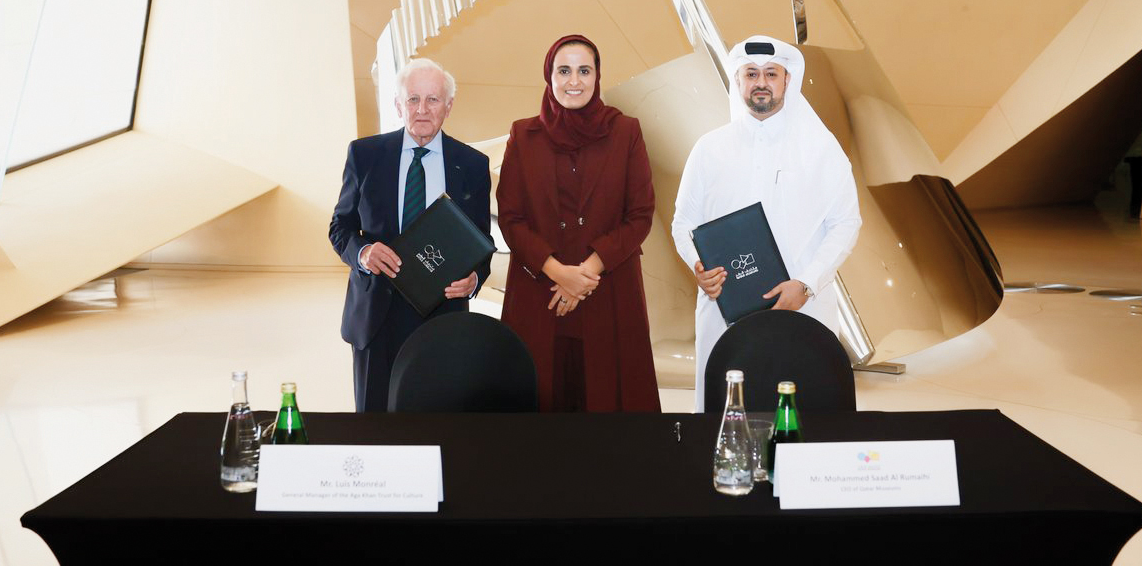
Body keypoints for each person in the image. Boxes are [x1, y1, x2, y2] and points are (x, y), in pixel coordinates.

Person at [671, 35, 861, 412]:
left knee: (808, 414)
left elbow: (846, 223)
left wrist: (806, 283)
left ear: (787, 81)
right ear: (738, 81)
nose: (761, 82)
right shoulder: (709, 148)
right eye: (751, 73)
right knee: (725, 412)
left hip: (804, 306)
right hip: (724, 306)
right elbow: (683, 222)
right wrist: (698, 266)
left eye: (771, 73)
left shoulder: (821, 148)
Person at [497, 34, 661, 412]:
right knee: (540, 411)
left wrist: (585, 274)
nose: (574, 81)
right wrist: (557, 272)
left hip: (609, 290)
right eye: (564, 70)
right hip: (540, 294)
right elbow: (511, 217)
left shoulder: (625, 132)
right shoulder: (523, 135)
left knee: (611, 412)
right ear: (549, 77)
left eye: (584, 71)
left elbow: (639, 215)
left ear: (597, 76)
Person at [329, 58, 492, 412]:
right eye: (413, 99)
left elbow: (482, 243)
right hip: (376, 316)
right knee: (374, 428)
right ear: (398, 104)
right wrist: (363, 252)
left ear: (448, 107)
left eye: (433, 100)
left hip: (443, 316)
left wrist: (475, 278)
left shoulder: (473, 165)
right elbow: (339, 227)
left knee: (437, 424)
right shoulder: (365, 155)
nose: (422, 110)